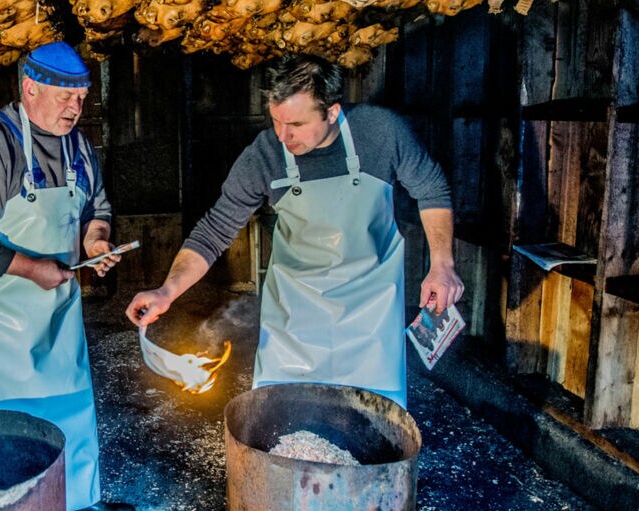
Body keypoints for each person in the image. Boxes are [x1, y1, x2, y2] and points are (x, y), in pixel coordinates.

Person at [126, 54, 465, 409]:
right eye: (276, 121)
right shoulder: (265, 154)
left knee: (371, 433)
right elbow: (214, 229)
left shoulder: (380, 132)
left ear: (332, 113)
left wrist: (442, 264)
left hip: (371, 322)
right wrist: (168, 290)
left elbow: (432, 189)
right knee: (282, 431)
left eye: (297, 125)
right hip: (293, 326)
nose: (283, 135)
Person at [0, 41, 137, 511]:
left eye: (82, 98)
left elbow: (96, 208)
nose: (75, 108)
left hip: (54, 316)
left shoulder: (79, 147)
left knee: (68, 407)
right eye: (65, 97)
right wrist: (32, 268)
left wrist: (96, 241)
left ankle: (75, 500)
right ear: (29, 89)